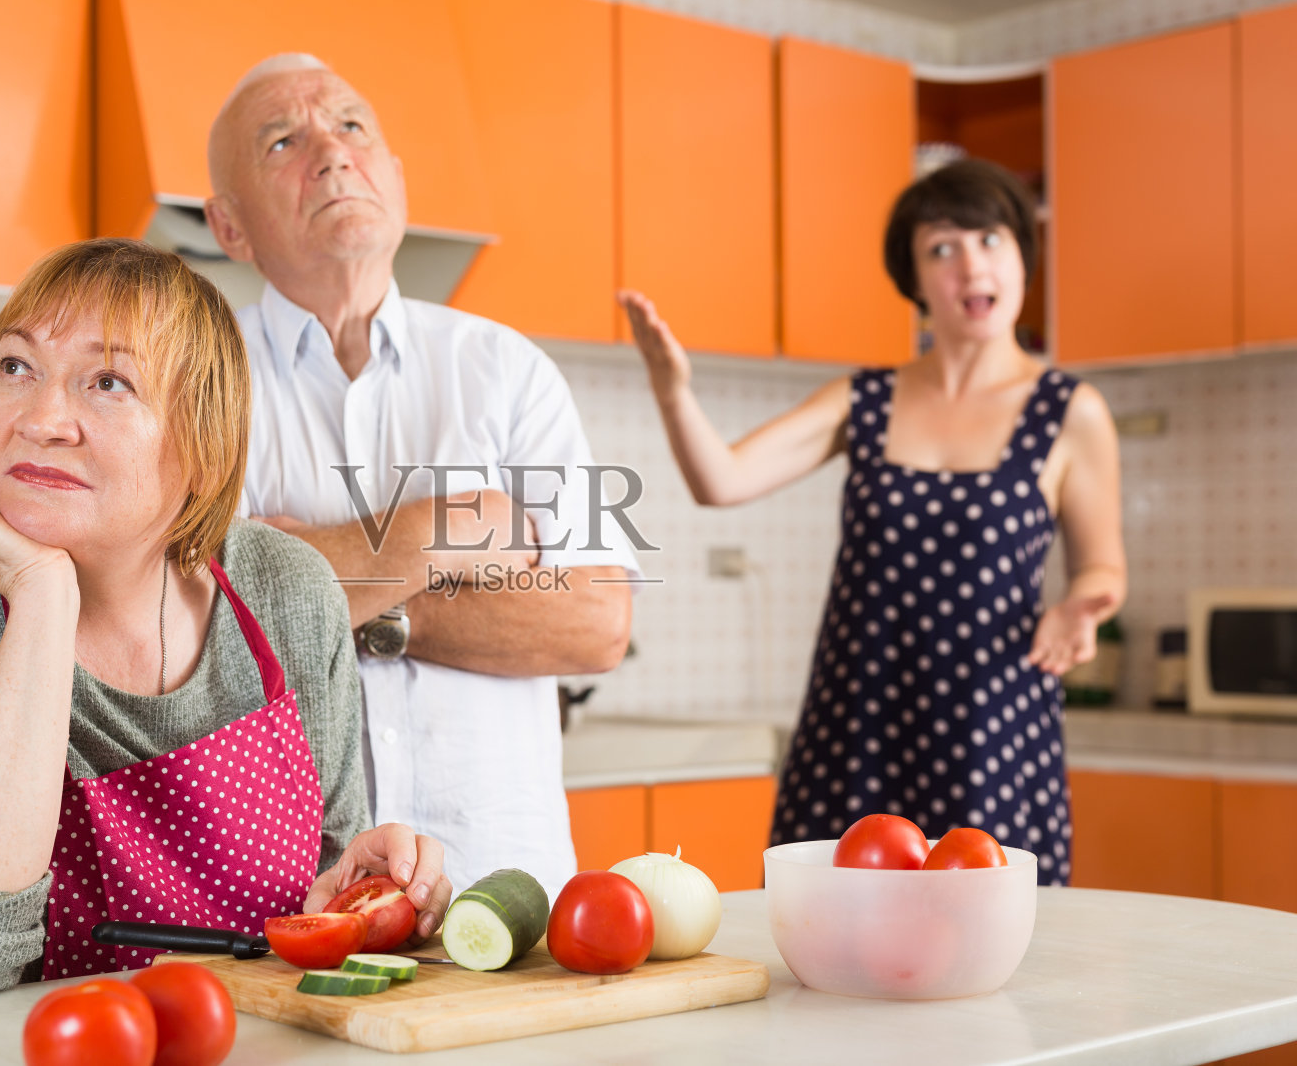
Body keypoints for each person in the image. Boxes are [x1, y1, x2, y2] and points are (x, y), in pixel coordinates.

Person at [0, 239, 450, 1006]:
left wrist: (348, 897)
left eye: (108, 382)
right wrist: (41, 592)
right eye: (17, 366)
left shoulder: (288, 591)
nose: (41, 419)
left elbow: (314, 905)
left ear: (203, 446)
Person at [619, 159, 1126, 885]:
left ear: (1022, 255)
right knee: (835, 921)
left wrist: (1083, 605)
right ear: (914, 280)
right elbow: (721, 480)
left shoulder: (1071, 412)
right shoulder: (863, 400)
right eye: (942, 248)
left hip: (991, 722)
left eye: (989, 239)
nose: (971, 265)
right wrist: (673, 392)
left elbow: (1101, 564)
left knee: (983, 921)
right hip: (857, 715)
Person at [204, 54, 638, 899]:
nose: (332, 154)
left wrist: (331, 593)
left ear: (397, 180)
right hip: (293, 890)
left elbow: (597, 620)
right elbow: (204, 626)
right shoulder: (195, 382)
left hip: (504, 880)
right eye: (283, 141)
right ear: (230, 226)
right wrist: (450, 534)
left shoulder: (515, 368)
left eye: (351, 125)